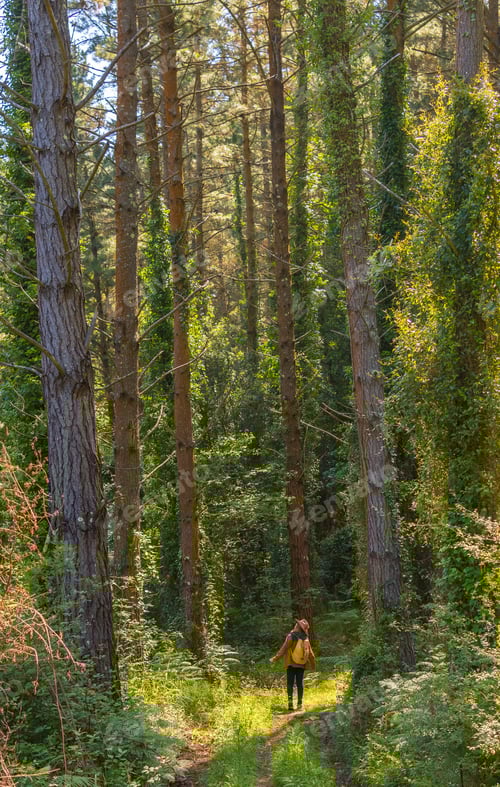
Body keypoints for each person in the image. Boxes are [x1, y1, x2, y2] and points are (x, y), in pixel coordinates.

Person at [270, 619, 315, 712]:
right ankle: (299, 704)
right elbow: (311, 654)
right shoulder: (305, 638)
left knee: (290, 683)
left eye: (296, 624)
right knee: (300, 684)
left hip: (290, 663)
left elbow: (284, 648)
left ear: (297, 626)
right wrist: (313, 666)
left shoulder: (291, 636)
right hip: (301, 664)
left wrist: (275, 658)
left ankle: (290, 704)